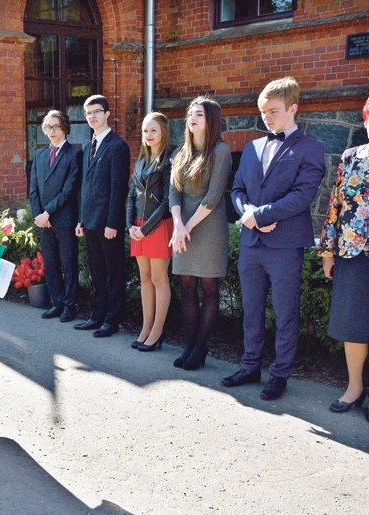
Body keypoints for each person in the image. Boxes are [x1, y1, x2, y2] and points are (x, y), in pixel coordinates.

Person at [222, 78, 327, 400]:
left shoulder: (311, 148)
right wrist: (248, 213)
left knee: (285, 313)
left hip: (285, 246)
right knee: (251, 311)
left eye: (273, 111)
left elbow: (303, 194)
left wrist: (263, 215)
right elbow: (236, 189)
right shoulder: (252, 147)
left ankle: (280, 374)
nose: (266, 117)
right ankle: (250, 365)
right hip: (252, 245)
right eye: (263, 112)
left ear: (293, 108)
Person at [319, 90, 369, 420]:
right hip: (352, 252)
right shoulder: (351, 156)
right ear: (365, 122)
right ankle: (355, 387)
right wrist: (328, 252)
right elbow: (335, 206)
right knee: (353, 324)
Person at [168, 97, 233, 370]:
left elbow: (214, 196)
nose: (192, 119)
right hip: (182, 226)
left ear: (211, 120)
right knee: (185, 286)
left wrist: (188, 226)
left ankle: (201, 347)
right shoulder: (181, 152)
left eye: (199, 115)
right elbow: (173, 191)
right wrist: (178, 223)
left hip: (208, 226)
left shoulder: (221, 151)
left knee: (208, 287)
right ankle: (189, 344)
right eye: (190, 114)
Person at [74, 95, 131, 337]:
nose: (92, 116)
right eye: (88, 113)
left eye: (97, 111)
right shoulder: (88, 147)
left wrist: (112, 223)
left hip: (108, 224)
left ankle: (112, 320)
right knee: (97, 273)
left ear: (107, 114)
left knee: (114, 273)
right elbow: (85, 187)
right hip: (90, 221)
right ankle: (96, 316)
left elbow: (119, 188)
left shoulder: (118, 146)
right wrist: (81, 219)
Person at [30, 110, 84, 323]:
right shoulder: (39, 154)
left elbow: (69, 190)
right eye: (48, 127)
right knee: (51, 263)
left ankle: (70, 306)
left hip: (63, 218)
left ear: (65, 129)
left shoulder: (74, 154)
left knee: (68, 263)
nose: (51, 131)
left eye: (56, 127)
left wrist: (48, 213)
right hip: (44, 221)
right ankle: (57, 303)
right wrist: (38, 215)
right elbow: (33, 188)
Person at [127, 112, 174, 351]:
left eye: (153, 130)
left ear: (163, 132)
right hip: (138, 226)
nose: (148, 135)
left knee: (158, 278)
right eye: (145, 131)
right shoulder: (141, 161)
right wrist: (130, 226)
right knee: (144, 278)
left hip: (158, 226)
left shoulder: (169, 161)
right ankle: (145, 329)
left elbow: (167, 202)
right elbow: (131, 196)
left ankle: (157, 332)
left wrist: (145, 229)